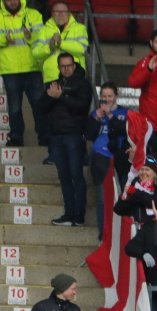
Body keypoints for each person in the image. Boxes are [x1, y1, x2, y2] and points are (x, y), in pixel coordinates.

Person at [36, 51, 91, 226]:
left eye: (69, 66)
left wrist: (62, 97)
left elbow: (81, 107)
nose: (66, 69)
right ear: (59, 67)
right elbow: (40, 108)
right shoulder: (54, 84)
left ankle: (79, 215)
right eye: (63, 66)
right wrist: (50, 97)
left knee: (76, 175)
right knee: (64, 176)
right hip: (56, 137)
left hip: (74, 136)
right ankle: (69, 214)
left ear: (74, 66)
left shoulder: (83, 85)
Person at [0, 0, 46, 148]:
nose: (13, 2)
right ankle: (16, 137)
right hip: (10, 69)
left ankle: (44, 137)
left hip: (33, 68)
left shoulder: (34, 15)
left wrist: (30, 37)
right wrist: (3, 40)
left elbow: (42, 38)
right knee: (14, 107)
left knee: (39, 105)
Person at [85, 81, 128, 234]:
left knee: (122, 196)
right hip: (100, 157)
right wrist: (96, 118)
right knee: (103, 199)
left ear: (116, 96)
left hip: (120, 159)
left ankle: (120, 234)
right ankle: (103, 235)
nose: (107, 99)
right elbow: (89, 135)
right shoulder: (96, 113)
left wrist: (110, 114)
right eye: (104, 96)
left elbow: (124, 131)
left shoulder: (125, 113)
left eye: (110, 96)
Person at [32, 2, 85, 84]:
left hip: (75, 76)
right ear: (52, 13)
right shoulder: (43, 30)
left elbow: (82, 50)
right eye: (57, 11)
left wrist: (61, 43)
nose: (60, 14)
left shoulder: (80, 28)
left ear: (69, 13)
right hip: (51, 77)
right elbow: (36, 53)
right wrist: (49, 47)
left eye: (63, 11)